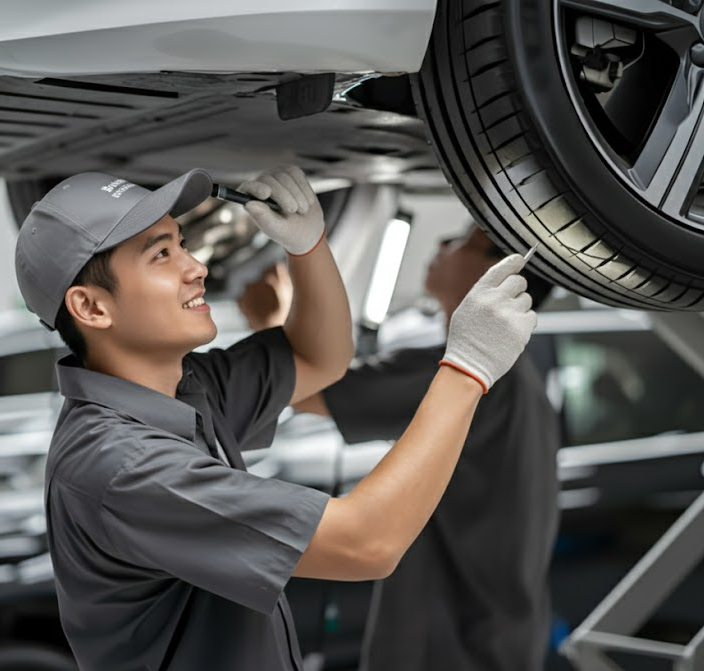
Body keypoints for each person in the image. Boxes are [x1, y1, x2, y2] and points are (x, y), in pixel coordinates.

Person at [13, 166, 538, 671]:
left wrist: (307, 250)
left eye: (183, 244)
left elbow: (317, 359)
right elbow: (366, 543)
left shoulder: (186, 388)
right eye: (162, 255)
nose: (197, 267)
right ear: (92, 308)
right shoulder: (122, 467)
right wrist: (467, 369)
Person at [238, 224, 561, 671]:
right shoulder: (514, 376)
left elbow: (309, 390)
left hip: (451, 641)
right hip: (498, 632)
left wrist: (269, 320)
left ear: (499, 274)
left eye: (464, 241)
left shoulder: (466, 371)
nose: (442, 244)